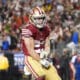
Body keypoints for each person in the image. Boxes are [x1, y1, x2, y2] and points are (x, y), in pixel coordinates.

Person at [21, 6, 61, 80]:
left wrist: (46, 53)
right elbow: (30, 50)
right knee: (40, 75)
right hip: (31, 58)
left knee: (55, 77)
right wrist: (40, 60)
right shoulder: (28, 29)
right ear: (32, 18)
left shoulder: (46, 29)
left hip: (43, 58)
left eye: (41, 18)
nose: (40, 20)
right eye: (37, 18)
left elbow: (47, 45)